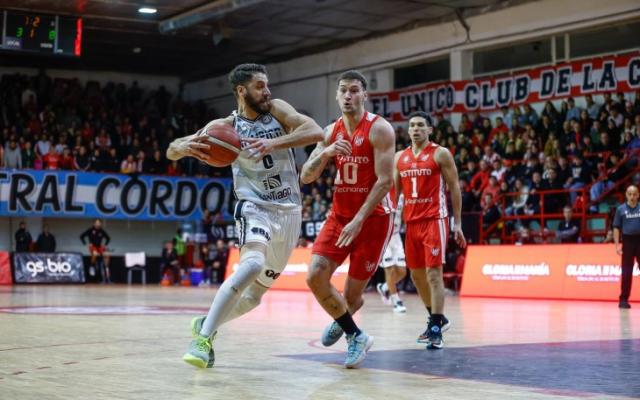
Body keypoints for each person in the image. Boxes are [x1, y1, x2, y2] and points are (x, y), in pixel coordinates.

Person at [167, 63, 323, 368]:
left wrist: (272, 143)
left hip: (290, 211)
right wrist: (181, 146)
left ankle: (205, 324)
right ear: (242, 90)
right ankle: (202, 341)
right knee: (252, 264)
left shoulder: (277, 110)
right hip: (254, 206)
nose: (267, 91)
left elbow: (315, 131)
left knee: (252, 298)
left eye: (267, 85)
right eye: (259, 86)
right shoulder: (224, 128)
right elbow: (171, 150)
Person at [301, 70, 395, 368]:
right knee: (315, 276)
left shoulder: (380, 129)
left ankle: (344, 319)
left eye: (354, 90)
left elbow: (385, 181)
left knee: (352, 297)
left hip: (374, 219)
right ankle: (356, 334)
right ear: (336, 95)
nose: (348, 96)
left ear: (364, 95)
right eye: (343, 90)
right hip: (339, 216)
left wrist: (358, 220)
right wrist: (325, 153)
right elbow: (306, 176)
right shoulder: (331, 132)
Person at [393, 111, 466, 349]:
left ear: (430, 130)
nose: (415, 129)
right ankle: (438, 319)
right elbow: (395, 193)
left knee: (434, 274)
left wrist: (457, 223)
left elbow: (454, 187)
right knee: (416, 276)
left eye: (420, 125)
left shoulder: (440, 153)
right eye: (412, 125)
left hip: (435, 220)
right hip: (411, 223)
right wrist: (392, 222)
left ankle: (435, 329)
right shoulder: (399, 157)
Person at [376, 193, 408, 313]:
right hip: (383, 236)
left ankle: (384, 287)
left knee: (402, 272)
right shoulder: (381, 193)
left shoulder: (402, 196)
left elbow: (403, 215)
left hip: (396, 236)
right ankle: (396, 301)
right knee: (389, 269)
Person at [612, 185, 640, 309]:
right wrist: (617, 245)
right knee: (627, 272)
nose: (632, 196)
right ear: (626, 195)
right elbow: (616, 228)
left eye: (634, 194)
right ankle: (623, 299)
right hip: (627, 242)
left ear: (638, 195)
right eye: (630, 194)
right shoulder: (620, 209)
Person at [80, 219, 112, 283]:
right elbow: (81, 236)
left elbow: (108, 238)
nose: (98, 224)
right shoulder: (90, 230)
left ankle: (107, 269)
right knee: (95, 254)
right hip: (93, 247)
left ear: (101, 224)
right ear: (94, 224)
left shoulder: (102, 231)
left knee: (107, 255)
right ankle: (92, 266)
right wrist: (86, 244)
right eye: (96, 223)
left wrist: (105, 245)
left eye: (99, 223)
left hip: (100, 247)